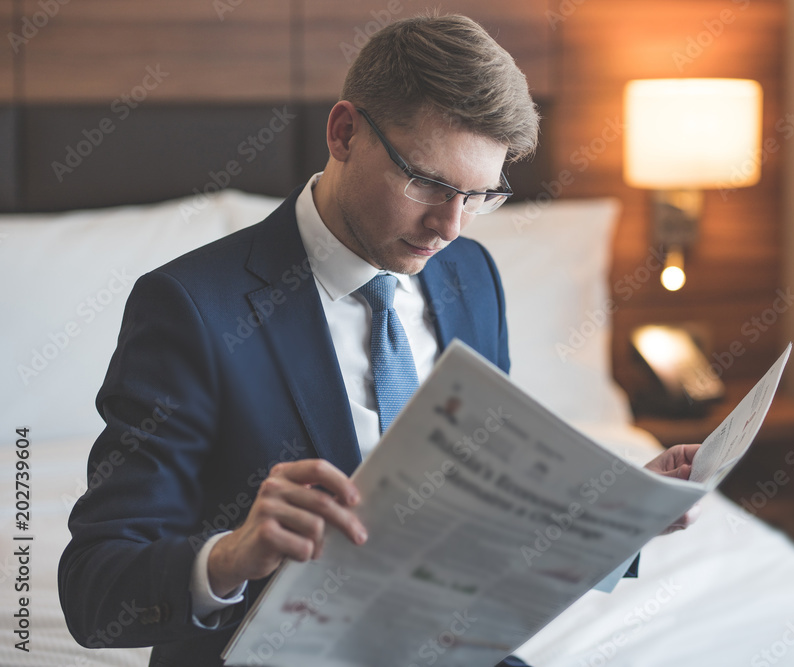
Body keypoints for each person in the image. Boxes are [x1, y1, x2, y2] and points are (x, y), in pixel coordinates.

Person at [58, 14, 698, 667]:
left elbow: (477, 510)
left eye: (480, 195)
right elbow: (93, 590)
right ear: (344, 133)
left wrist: (610, 515)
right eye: (429, 182)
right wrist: (230, 555)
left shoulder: (472, 277)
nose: (451, 226)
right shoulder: (191, 308)